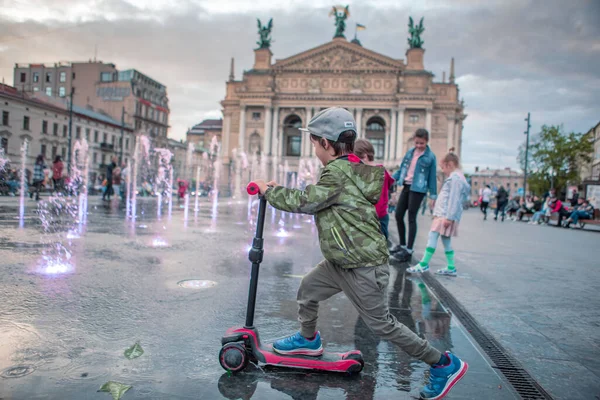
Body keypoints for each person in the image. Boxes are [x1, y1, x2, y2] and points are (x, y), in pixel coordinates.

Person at [252, 107, 468, 400]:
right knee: (308, 289)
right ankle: (308, 339)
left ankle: (443, 363)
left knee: (382, 325)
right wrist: (278, 189)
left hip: (363, 267)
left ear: (326, 144)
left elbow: (307, 200)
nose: (314, 149)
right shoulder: (349, 169)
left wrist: (268, 191)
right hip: (342, 261)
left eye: (314, 143)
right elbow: (320, 195)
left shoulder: (338, 173)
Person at [407, 152, 470, 277]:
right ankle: (451, 267)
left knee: (432, 236)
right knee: (445, 240)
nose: (443, 170)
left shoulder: (455, 179)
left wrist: (449, 218)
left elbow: (454, 199)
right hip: (445, 215)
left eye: (443, 167)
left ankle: (424, 263)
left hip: (444, 215)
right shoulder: (458, 178)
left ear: (450, 165)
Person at [390, 129, 438, 262]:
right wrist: (391, 178)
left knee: (411, 217)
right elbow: (402, 170)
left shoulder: (430, 157)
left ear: (426, 141)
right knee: (398, 214)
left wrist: (433, 196)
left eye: (421, 143)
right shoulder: (410, 153)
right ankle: (402, 245)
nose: (418, 146)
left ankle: (409, 250)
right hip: (406, 185)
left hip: (418, 189)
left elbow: (432, 177)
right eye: (417, 142)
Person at [353, 139, 395, 240]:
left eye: (356, 161)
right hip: (379, 219)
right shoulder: (381, 171)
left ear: (365, 157)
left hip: (374, 220)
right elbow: (391, 183)